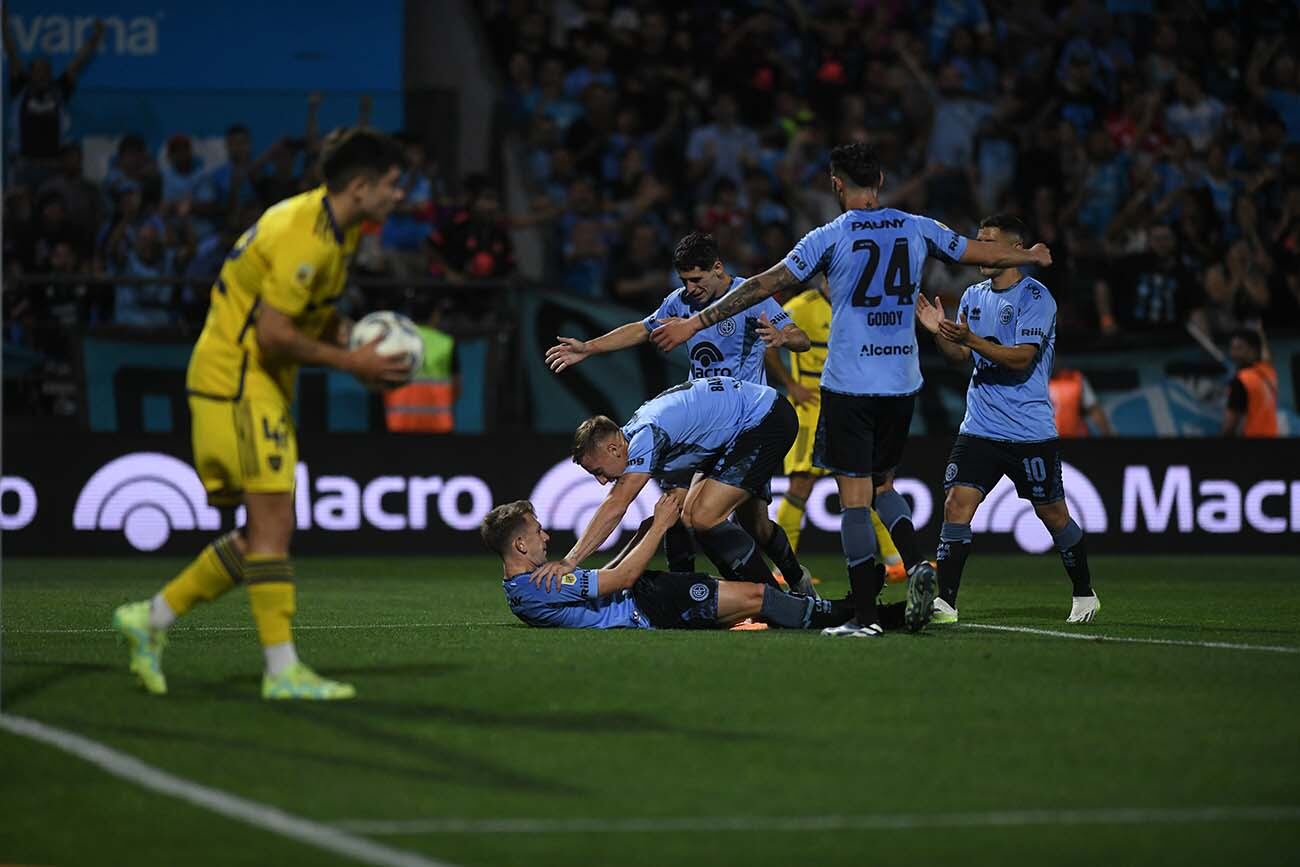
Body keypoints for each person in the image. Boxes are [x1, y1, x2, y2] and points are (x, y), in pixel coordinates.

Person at [652, 142, 1052, 638]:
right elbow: (974, 252)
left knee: (855, 500)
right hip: (902, 382)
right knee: (884, 485)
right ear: (880, 180)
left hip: (849, 384)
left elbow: (760, 285)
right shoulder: (917, 226)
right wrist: (1026, 254)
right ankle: (915, 561)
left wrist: (696, 324)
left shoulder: (831, 235)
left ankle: (864, 616)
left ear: (837, 185)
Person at [112, 128, 412, 700]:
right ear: (360, 185)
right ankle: (281, 672)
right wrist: (352, 363)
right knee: (273, 526)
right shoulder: (305, 235)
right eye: (393, 185)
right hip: (238, 383)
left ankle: (149, 619)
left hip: (254, 384)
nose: (399, 196)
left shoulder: (338, 230)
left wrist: (355, 340)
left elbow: (307, 316)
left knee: (261, 532)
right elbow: (274, 333)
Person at [546, 231, 810, 579]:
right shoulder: (679, 302)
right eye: (684, 280)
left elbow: (801, 338)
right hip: (700, 425)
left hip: (746, 422)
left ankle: (790, 579)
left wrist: (782, 337)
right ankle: (685, 587)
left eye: (696, 279)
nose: (691, 287)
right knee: (675, 508)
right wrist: (588, 348)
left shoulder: (750, 296)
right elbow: (642, 329)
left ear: (718, 268)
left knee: (755, 525)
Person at [916, 214, 1100, 625]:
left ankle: (1084, 592)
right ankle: (946, 602)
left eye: (989, 241)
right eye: (978, 240)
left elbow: (1021, 359)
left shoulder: (1036, 297)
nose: (980, 249)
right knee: (955, 503)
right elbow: (961, 358)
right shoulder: (972, 296)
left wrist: (970, 340)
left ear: (1014, 250)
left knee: (1052, 515)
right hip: (979, 427)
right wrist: (938, 333)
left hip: (1029, 432)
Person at [531, 376, 815, 599]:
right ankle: (797, 582)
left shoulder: (647, 435)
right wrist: (604, 576)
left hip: (764, 421)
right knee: (742, 524)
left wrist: (571, 561)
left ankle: (774, 603)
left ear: (614, 448)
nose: (602, 481)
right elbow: (662, 519)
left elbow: (616, 505)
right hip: (739, 430)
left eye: (598, 471)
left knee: (704, 517)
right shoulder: (646, 440)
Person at [487, 495, 880, 632]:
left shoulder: (523, 588)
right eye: (538, 532)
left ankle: (847, 610)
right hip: (650, 606)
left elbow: (610, 576)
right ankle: (859, 613)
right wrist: (658, 528)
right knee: (759, 595)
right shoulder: (541, 585)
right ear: (519, 544)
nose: (546, 537)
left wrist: (645, 533)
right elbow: (622, 578)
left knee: (749, 600)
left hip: (651, 597)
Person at [765, 279, 906, 580]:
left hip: (845, 408)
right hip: (809, 409)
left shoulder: (856, 308)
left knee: (863, 483)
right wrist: (791, 385)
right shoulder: (800, 307)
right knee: (800, 486)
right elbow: (769, 345)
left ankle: (895, 561)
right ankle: (781, 569)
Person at [1222, 328, 1278, 437]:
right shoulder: (1269, 372)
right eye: (1232, 348)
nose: (1233, 354)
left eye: (1239, 348)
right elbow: (1266, 357)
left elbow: (1231, 422)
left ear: (1253, 350)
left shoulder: (1241, 380)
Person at [1049, 363, 1114, 437]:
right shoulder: (1035, 380)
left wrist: (1109, 434)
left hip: (1075, 440)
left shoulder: (1076, 379)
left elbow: (1093, 409)